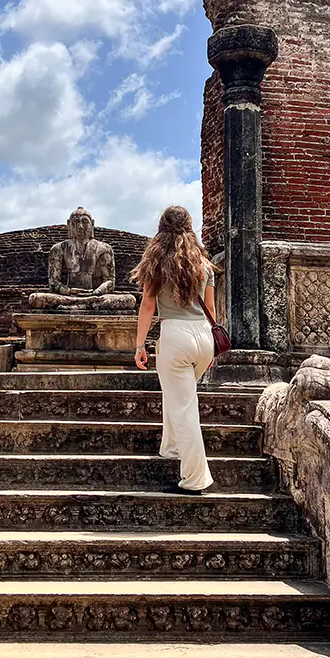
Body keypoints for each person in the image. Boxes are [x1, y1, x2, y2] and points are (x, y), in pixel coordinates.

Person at [131, 205, 216, 493]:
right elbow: (212, 309)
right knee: (179, 395)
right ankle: (170, 447)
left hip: (175, 335)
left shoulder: (156, 262)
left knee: (184, 407)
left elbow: (148, 305)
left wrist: (140, 343)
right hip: (204, 336)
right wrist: (214, 346)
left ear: (161, 229)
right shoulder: (203, 265)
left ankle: (195, 478)